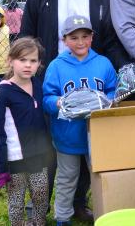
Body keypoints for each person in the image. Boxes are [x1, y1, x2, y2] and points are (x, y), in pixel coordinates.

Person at [20, 0, 129, 222]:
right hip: (49, 83)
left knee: (82, 147)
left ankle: (77, 204)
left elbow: (111, 41)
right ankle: (38, 208)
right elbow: (25, 39)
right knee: (42, 151)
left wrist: (123, 70)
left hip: (88, 84)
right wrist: (25, 77)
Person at [42, 15, 117, 226]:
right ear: (64, 39)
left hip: (97, 134)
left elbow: (113, 90)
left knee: (99, 178)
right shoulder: (57, 66)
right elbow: (47, 98)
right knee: (67, 178)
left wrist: (107, 100)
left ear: (92, 37)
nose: (81, 42)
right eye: (74, 37)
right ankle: (63, 217)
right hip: (68, 134)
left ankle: (106, 214)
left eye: (85, 36)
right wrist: (58, 102)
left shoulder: (103, 63)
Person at [0, 37, 50, 226]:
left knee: (41, 194)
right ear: (10, 60)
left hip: (38, 153)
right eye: (22, 60)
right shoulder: (1, 93)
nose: (27, 65)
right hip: (14, 158)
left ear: (39, 64)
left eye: (33, 61)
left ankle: (38, 223)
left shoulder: (38, 85)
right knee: (16, 200)